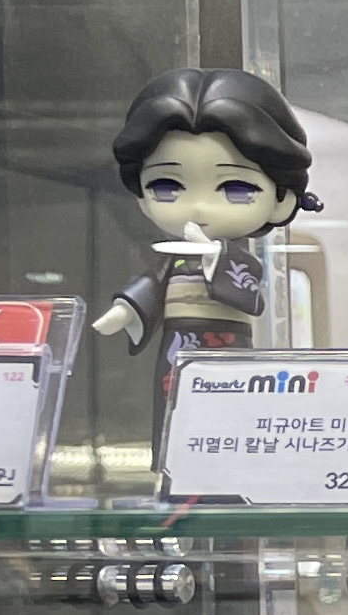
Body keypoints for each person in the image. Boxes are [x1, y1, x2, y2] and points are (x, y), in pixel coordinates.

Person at [88, 64, 314, 389]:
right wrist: (127, 309)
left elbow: (249, 295)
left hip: (227, 342)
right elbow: (152, 284)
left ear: (282, 200)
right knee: (172, 399)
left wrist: (214, 257)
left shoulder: (237, 260)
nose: (198, 206)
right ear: (141, 196)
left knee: (227, 398)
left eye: (236, 188)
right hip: (175, 345)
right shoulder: (175, 261)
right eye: (166, 187)